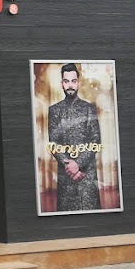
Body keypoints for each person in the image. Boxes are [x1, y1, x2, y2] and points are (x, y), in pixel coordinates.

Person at [46, 63, 103, 212]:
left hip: (86, 175)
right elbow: (53, 142)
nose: (70, 85)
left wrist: (78, 164)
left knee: (93, 216)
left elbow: (95, 139)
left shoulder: (89, 108)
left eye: (73, 81)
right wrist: (69, 165)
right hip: (66, 176)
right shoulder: (54, 110)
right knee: (66, 216)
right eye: (66, 81)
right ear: (62, 84)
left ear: (78, 83)